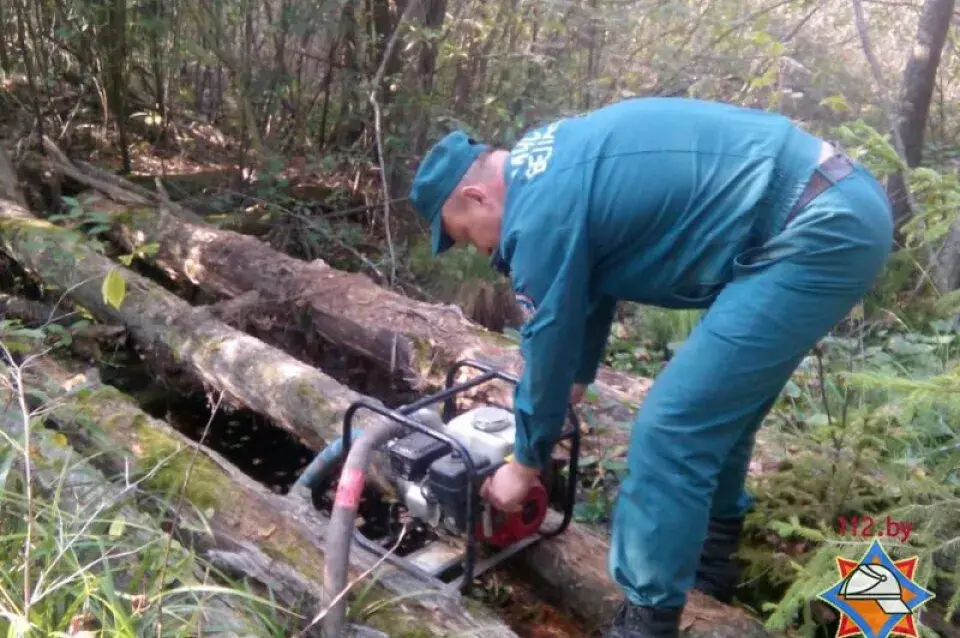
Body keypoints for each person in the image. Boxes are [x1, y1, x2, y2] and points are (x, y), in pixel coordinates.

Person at [407, 97, 893, 638]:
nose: (479, 250)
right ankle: (712, 565)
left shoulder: (536, 213)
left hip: (815, 225)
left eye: (467, 234)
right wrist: (573, 385)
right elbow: (586, 293)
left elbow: (544, 341)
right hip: (827, 201)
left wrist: (523, 464)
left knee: (671, 426)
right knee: (714, 414)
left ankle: (647, 622)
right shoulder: (544, 165)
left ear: (475, 196)